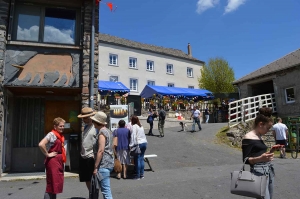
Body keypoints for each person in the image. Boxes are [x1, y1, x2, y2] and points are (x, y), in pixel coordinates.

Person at [242, 107, 283, 199]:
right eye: (268, 128)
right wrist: (261, 158)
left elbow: (259, 154)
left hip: (268, 170)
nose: (268, 130)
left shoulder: (259, 136)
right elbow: (246, 160)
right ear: (261, 124)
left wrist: (271, 151)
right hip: (258, 172)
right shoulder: (248, 137)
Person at [39, 117, 66, 199]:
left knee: (56, 185)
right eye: (60, 126)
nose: (62, 128)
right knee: (51, 185)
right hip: (53, 162)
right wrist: (47, 154)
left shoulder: (60, 135)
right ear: (55, 127)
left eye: (63, 126)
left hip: (58, 161)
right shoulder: (51, 134)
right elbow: (41, 144)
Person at [91, 111, 114, 199]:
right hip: (109, 162)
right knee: (106, 189)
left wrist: (96, 167)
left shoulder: (102, 133)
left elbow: (101, 150)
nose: (93, 123)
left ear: (97, 122)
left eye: (93, 121)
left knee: (106, 191)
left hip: (103, 164)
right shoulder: (108, 131)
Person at [77, 107, 97, 193]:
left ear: (89, 117)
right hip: (84, 155)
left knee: (93, 178)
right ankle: (91, 193)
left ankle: (94, 195)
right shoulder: (85, 127)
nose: (83, 120)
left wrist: (95, 154)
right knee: (86, 178)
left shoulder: (95, 127)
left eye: (84, 118)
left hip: (91, 155)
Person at [129, 116, 147, 180]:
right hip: (144, 142)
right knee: (141, 158)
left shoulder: (134, 126)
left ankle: (138, 175)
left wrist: (131, 145)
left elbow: (133, 136)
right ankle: (142, 174)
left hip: (138, 143)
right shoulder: (140, 125)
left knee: (137, 159)